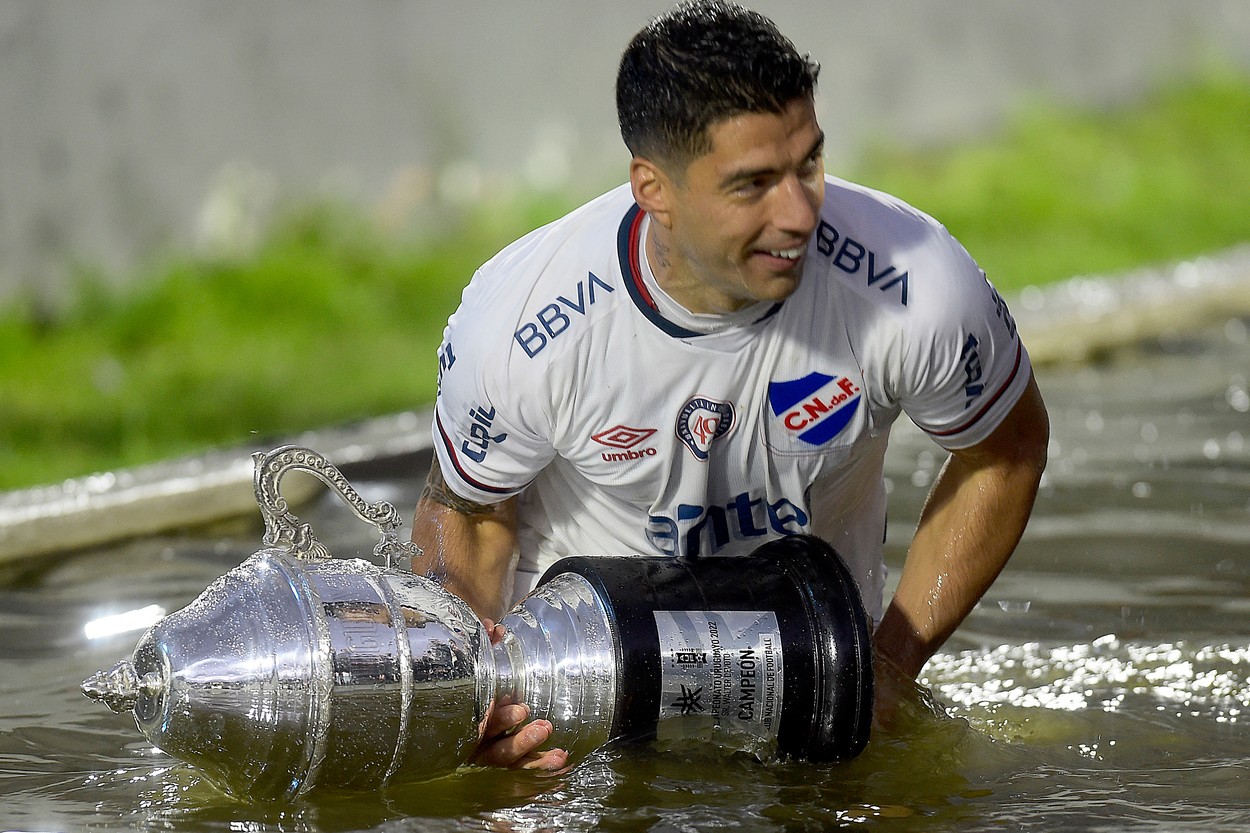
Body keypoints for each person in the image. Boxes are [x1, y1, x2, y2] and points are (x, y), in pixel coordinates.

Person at [411, 0, 1049, 770]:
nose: (798, 212)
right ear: (654, 190)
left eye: (808, 163)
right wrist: (481, 695)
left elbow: (1005, 450)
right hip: (575, 705)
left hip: (812, 685)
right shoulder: (522, 324)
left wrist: (889, 664)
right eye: (753, 184)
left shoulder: (913, 286)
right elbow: (471, 516)